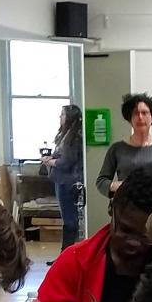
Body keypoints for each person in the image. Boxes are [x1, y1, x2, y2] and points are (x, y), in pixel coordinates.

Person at [39, 167, 152, 302]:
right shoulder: (75, 260)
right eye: (125, 230)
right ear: (111, 209)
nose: (133, 243)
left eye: (146, 236)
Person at [94, 92, 152, 198]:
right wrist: (121, 186)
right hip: (126, 209)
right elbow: (101, 182)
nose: (140, 117)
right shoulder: (116, 149)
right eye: (135, 113)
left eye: (144, 113)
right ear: (129, 119)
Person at [43, 105, 85, 249]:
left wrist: (51, 161)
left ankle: (67, 253)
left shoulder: (74, 138)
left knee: (70, 220)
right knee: (67, 219)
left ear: (70, 118)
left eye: (62, 114)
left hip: (68, 182)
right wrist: (51, 157)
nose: (60, 117)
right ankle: (65, 254)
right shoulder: (65, 135)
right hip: (61, 181)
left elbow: (66, 162)